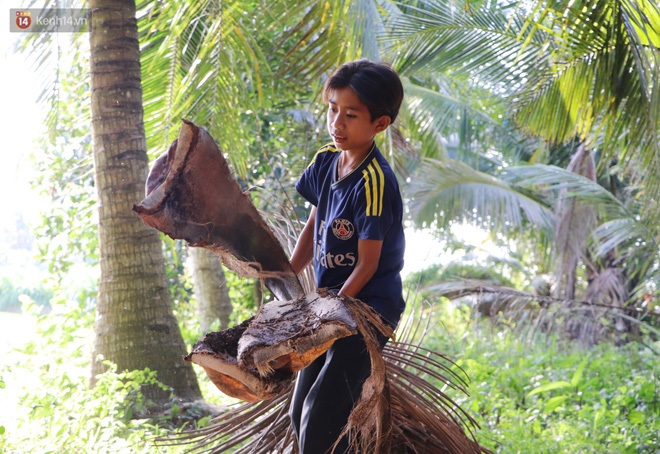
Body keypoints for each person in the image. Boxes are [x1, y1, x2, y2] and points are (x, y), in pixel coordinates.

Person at [288, 59, 406, 454]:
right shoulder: (326, 161)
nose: (336, 122)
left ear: (380, 124)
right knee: (298, 412)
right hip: (330, 306)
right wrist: (288, 275)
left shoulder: (374, 182)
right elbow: (313, 226)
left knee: (320, 414)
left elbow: (367, 264)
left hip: (368, 310)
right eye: (332, 109)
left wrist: (333, 313)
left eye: (350, 114)